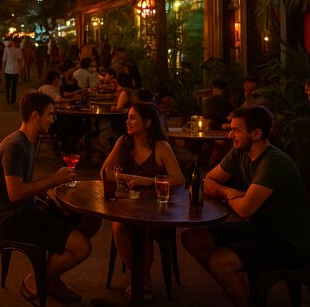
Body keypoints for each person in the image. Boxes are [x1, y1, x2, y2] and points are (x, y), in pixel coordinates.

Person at [181, 106, 310, 306]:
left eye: (236, 130)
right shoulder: (240, 152)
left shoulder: (274, 162)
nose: (230, 134)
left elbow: (244, 209)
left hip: (290, 240)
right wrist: (229, 192)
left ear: (256, 133)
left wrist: (231, 196)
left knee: (219, 261)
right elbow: (208, 182)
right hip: (262, 227)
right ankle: (239, 287)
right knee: (193, 237)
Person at [0, 92, 95, 304]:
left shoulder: (28, 142)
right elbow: (15, 193)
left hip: (28, 210)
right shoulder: (15, 146)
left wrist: (47, 195)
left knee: (90, 220)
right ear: (35, 115)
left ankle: (52, 278)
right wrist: (53, 181)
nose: (52, 119)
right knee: (82, 246)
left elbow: (25, 187)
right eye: (50, 114)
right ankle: (33, 282)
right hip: (14, 220)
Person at [101, 102, 184, 299]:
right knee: (118, 226)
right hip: (130, 207)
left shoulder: (161, 147)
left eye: (133, 118)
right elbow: (105, 172)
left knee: (143, 228)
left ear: (147, 123)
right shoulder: (123, 142)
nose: (127, 122)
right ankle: (142, 277)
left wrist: (144, 181)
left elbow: (179, 180)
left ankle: (139, 279)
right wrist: (123, 177)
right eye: (128, 117)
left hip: (158, 210)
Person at [2, 37, 24, 104]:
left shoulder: (7, 49)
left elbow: (4, 60)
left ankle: (8, 98)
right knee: (13, 86)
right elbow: (20, 61)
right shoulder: (18, 50)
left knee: (8, 85)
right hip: (15, 70)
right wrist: (20, 71)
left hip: (8, 70)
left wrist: (3, 69)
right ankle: (12, 99)